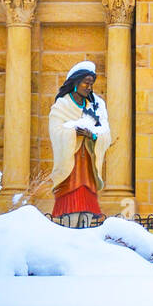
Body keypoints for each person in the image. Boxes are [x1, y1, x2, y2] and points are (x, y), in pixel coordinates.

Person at [49, 60, 111, 220]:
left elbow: (105, 133)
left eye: (91, 84)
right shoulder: (62, 106)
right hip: (71, 166)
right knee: (71, 212)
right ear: (76, 83)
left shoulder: (94, 106)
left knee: (87, 211)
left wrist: (93, 135)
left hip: (88, 165)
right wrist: (73, 131)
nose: (89, 87)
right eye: (86, 83)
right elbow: (55, 131)